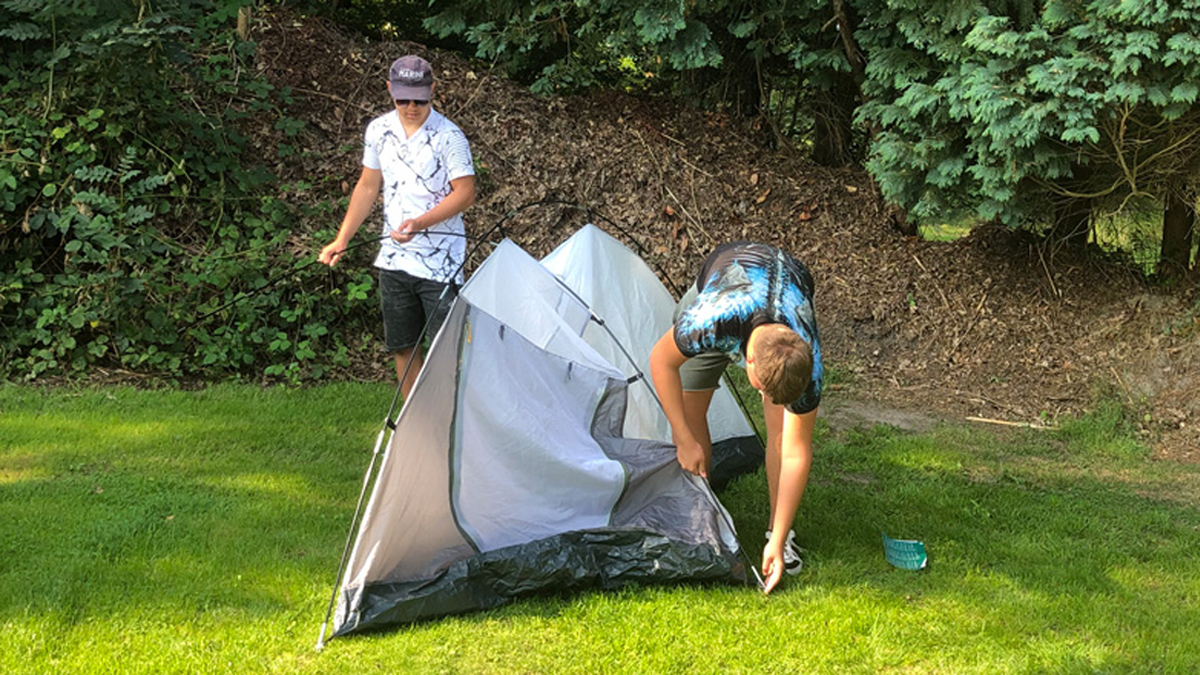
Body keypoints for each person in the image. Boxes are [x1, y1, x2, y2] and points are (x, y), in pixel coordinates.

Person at [648, 241, 821, 595]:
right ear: (749, 361)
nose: (764, 399)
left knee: (781, 433)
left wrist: (778, 539)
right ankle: (703, 522)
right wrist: (684, 439)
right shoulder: (708, 321)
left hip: (785, 289)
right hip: (728, 280)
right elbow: (661, 362)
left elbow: (795, 452)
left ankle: (777, 533)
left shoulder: (807, 358)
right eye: (763, 390)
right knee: (689, 409)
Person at [319, 55, 475, 398]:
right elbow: (367, 186)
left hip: (441, 264)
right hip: (393, 260)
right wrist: (342, 239)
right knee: (403, 347)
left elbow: (465, 193)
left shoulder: (449, 136)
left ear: (433, 90)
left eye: (419, 100)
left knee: (449, 351)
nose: (411, 107)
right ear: (390, 90)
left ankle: (452, 420)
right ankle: (415, 421)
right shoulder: (378, 130)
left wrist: (420, 222)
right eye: (402, 99)